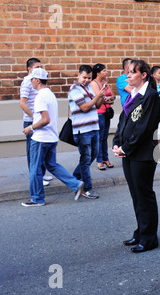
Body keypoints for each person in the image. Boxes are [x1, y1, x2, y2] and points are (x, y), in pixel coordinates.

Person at [113, 60, 160, 253]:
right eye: (127, 72)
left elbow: (145, 127)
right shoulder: (133, 95)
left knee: (144, 195)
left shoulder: (150, 97)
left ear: (143, 75)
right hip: (128, 153)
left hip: (142, 154)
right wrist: (117, 142)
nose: (128, 76)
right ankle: (141, 230)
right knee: (136, 195)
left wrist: (126, 148)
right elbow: (122, 122)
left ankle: (150, 237)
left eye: (132, 72)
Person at [21, 68, 84, 207]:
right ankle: (76, 183)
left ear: (37, 80)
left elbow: (45, 119)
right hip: (51, 138)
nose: (31, 81)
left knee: (35, 169)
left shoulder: (40, 97)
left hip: (40, 139)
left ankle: (37, 198)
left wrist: (30, 128)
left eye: (32, 79)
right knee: (51, 165)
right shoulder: (50, 94)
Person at [68, 65, 107, 199]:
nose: (86, 80)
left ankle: (74, 179)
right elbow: (84, 107)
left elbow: (97, 105)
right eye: (84, 77)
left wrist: (102, 95)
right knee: (85, 159)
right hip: (82, 130)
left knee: (93, 156)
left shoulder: (89, 87)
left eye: (89, 78)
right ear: (78, 75)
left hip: (94, 127)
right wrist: (98, 96)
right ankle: (87, 188)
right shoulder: (74, 89)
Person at [19, 58, 53, 186]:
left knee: (41, 149)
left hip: (40, 120)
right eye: (37, 67)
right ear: (29, 69)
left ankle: (41, 175)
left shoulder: (38, 82)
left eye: (40, 66)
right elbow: (22, 103)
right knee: (32, 151)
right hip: (31, 121)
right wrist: (34, 118)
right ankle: (35, 177)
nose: (40, 69)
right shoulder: (28, 81)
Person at [91, 63, 116, 170]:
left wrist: (108, 98)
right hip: (99, 112)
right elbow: (99, 96)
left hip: (107, 111)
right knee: (99, 137)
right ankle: (99, 160)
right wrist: (108, 99)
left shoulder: (105, 83)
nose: (106, 73)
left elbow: (113, 96)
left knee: (105, 136)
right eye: (104, 71)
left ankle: (106, 159)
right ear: (98, 73)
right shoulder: (94, 83)